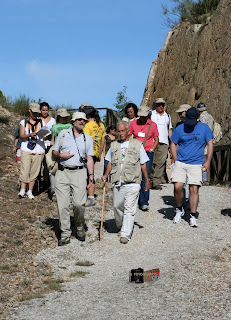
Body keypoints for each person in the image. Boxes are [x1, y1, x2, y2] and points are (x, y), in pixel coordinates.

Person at [102, 121, 150, 244]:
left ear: (128, 131)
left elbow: (143, 163)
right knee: (117, 206)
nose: (121, 133)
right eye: (119, 131)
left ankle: (125, 233)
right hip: (118, 181)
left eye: (123, 131)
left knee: (129, 208)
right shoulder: (113, 145)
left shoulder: (137, 144)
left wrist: (147, 180)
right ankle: (122, 225)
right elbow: (110, 162)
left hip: (133, 181)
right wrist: (106, 175)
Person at [52, 112, 94, 246]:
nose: (82, 121)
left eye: (84, 120)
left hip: (79, 172)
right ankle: (65, 233)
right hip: (63, 172)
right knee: (62, 205)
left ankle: (79, 226)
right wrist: (61, 155)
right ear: (73, 121)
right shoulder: (63, 134)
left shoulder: (88, 138)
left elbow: (89, 158)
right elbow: (54, 151)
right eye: (79, 119)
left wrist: (91, 176)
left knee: (79, 204)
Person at [170, 107, 213, 227]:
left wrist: (208, 161)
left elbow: (210, 143)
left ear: (196, 119)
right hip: (181, 162)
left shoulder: (204, 128)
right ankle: (179, 209)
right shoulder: (180, 128)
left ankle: (193, 215)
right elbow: (173, 142)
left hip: (196, 163)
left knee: (194, 188)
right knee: (177, 186)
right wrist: (175, 158)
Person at [129, 105, 159, 211]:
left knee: (145, 176)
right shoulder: (133, 123)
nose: (142, 118)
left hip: (147, 152)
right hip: (135, 152)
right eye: (140, 116)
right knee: (134, 175)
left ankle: (144, 201)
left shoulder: (153, 125)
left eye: (144, 116)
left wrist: (151, 150)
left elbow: (156, 139)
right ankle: (133, 200)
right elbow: (129, 136)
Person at [18, 103, 45, 199]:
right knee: (25, 170)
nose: (35, 115)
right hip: (26, 149)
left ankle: (30, 191)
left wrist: (45, 136)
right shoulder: (23, 122)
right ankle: (22, 190)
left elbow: (45, 135)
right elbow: (21, 136)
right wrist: (29, 135)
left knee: (35, 172)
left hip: (39, 150)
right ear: (29, 111)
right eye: (33, 112)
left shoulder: (42, 123)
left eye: (37, 113)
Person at [83, 104, 106, 207]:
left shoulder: (87, 126)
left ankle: (89, 196)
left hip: (87, 153)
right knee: (91, 173)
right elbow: (103, 140)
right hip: (96, 152)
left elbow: (85, 140)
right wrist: (100, 153)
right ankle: (90, 196)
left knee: (87, 174)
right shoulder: (101, 125)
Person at [150, 98, 173, 190]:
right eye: (159, 104)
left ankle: (156, 182)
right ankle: (150, 180)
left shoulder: (167, 116)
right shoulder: (151, 114)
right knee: (152, 161)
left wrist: (172, 142)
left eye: (162, 105)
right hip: (152, 141)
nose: (160, 106)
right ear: (155, 105)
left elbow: (169, 130)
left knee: (161, 162)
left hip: (164, 142)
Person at [40, 102, 56, 193]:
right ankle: (38, 184)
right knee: (38, 165)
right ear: (40, 111)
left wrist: (48, 137)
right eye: (43, 110)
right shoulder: (38, 119)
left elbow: (54, 132)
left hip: (49, 144)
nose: (45, 112)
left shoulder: (53, 120)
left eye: (46, 110)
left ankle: (47, 184)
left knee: (47, 165)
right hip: (39, 144)